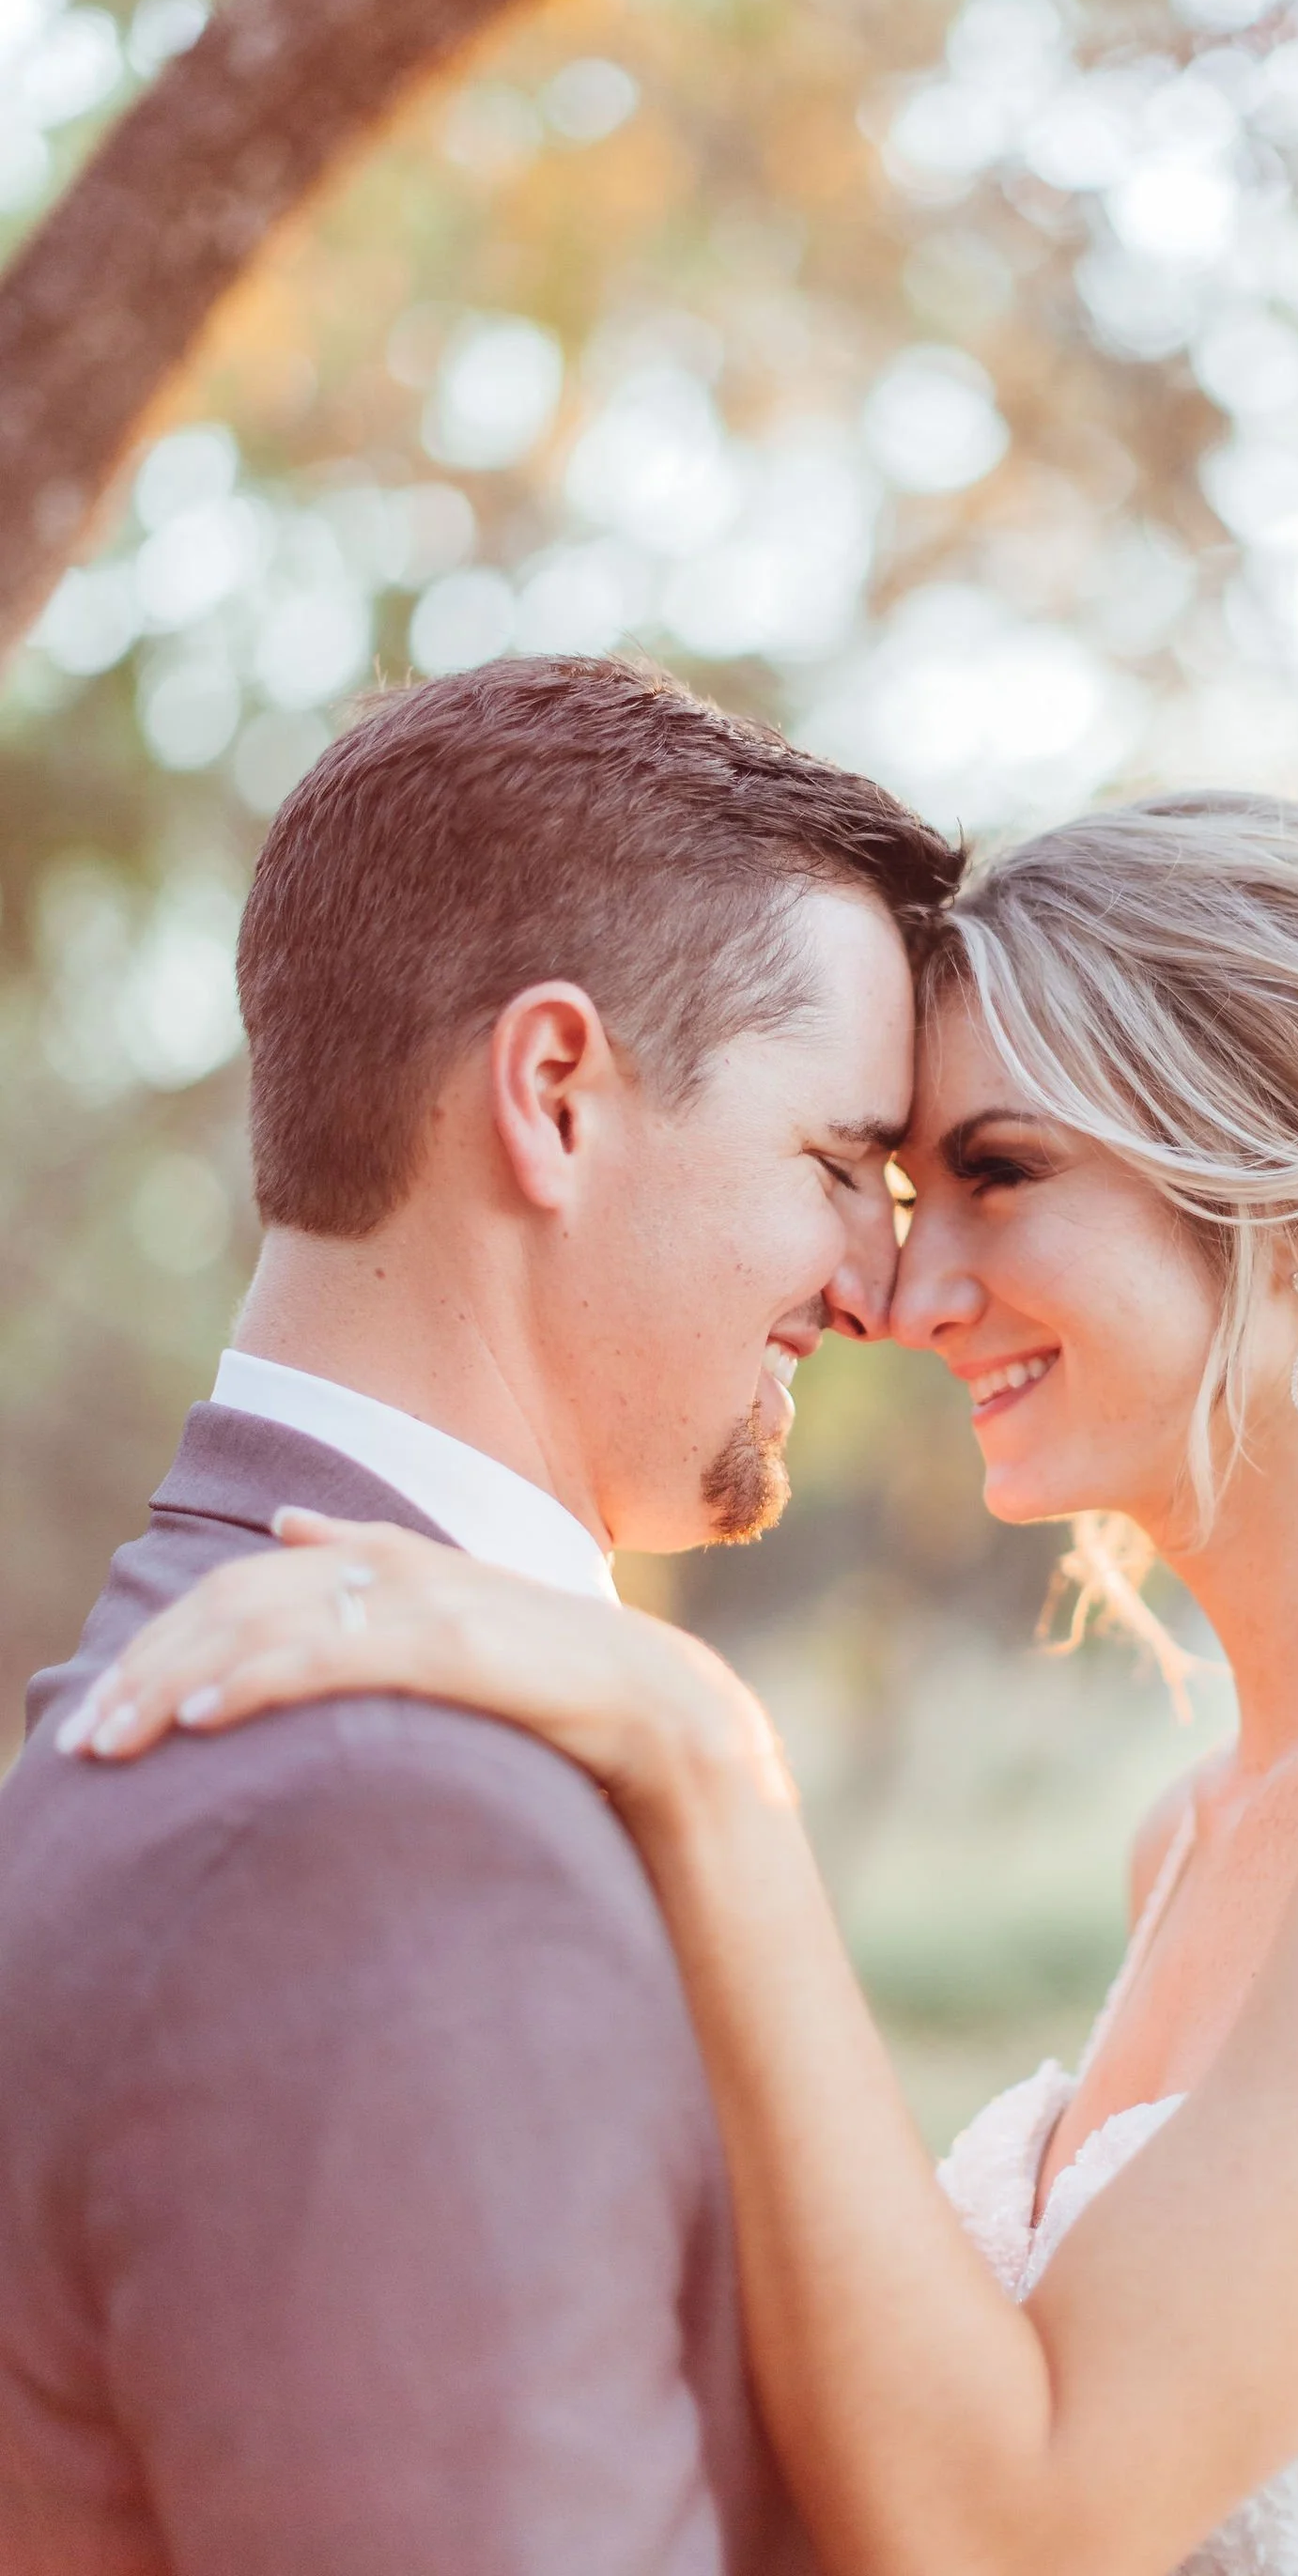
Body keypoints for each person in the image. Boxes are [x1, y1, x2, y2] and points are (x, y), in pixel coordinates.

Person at [70, 793, 1298, 2576]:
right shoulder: (1191, 1833)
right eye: (897, 1189)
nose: (908, 1286)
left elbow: (1027, 2527)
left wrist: (704, 1752)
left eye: (999, 1176)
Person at [0, 653, 961, 2575]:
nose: (883, 1286)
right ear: (552, 1097)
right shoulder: (371, 1832)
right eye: (841, 1165)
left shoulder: (227, 1680)